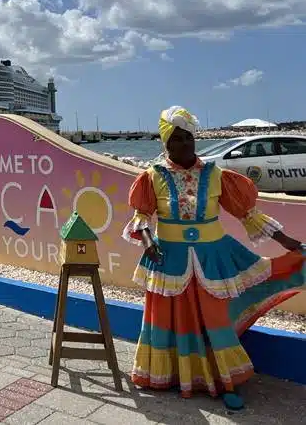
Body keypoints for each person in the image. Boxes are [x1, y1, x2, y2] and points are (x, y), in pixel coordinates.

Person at [123, 106, 305, 410]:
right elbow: (141, 216)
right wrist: (147, 241)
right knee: (172, 321)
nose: (184, 144)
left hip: (214, 259)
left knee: (215, 321)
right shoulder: (151, 177)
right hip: (169, 260)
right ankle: (172, 376)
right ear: (164, 143)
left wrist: (288, 242)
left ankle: (224, 382)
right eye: (177, 139)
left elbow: (248, 215)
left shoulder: (216, 174)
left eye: (189, 138)